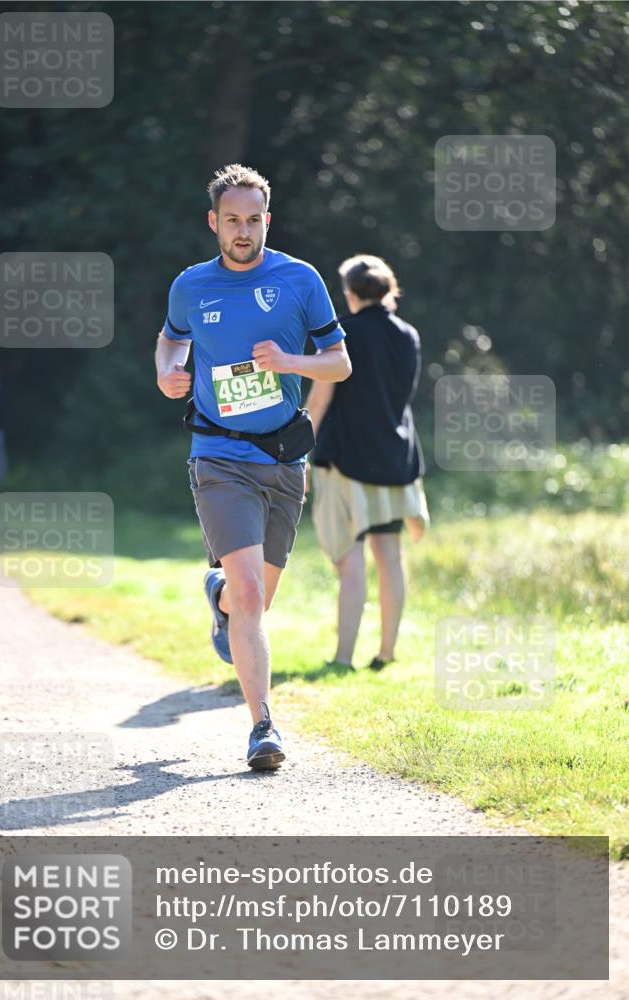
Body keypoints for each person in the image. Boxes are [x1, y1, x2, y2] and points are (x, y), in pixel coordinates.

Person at [155, 164, 351, 770]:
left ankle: (219, 598)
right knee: (249, 592)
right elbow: (171, 339)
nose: (243, 231)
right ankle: (263, 726)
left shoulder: (299, 279)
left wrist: (291, 361)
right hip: (218, 455)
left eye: (253, 220)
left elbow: (339, 362)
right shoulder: (191, 285)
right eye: (232, 220)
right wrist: (167, 373)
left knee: (255, 600)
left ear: (268, 220)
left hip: (283, 457)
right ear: (214, 222)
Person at [306, 254, 429, 670]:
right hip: (395, 459)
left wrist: (300, 452)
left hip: (347, 459)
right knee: (390, 557)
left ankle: (343, 658)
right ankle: (386, 653)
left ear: (350, 293)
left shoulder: (342, 335)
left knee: (349, 558)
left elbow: (320, 400)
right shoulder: (408, 335)